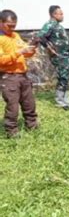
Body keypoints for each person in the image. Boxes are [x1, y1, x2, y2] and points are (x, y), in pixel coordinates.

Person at [0, 9, 39, 138]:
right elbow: (2, 60)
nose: (12, 28)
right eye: (9, 26)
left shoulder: (15, 36)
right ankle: (11, 131)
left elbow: (26, 52)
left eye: (14, 26)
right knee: (12, 105)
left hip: (23, 75)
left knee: (29, 102)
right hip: (9, 77)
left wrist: (32, 47)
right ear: (1, 22)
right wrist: (19, 52)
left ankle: (32, 125)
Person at [37, 5, 69, 110]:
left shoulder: (57, 25)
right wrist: (50, 48)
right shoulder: (50, 25)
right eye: (60, 13)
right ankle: (60, 100)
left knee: (65, 76)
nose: (62, 15)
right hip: (59, 56)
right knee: (62, 77)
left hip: (65, 55)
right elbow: (40, 36)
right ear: (54, 14)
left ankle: (65, 98)